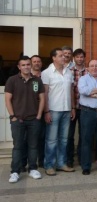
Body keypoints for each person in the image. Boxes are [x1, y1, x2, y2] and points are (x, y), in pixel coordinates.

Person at [5, 56, 45, 183]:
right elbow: (7, 99)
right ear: (19, 67)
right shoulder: (12, 80)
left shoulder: (37, 81)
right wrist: (13, 116)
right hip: (18, 120)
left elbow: (42, 99)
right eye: (23, 65)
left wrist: (39, 116)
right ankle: (15, 172)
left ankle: (33, 169)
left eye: (28, 64)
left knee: (33, 146)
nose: (26, 67)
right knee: (18, 146)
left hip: (34, 119)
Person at [41, 48, 75, 176]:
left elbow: (71, 91)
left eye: (64, 56)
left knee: (64, 139)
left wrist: (72, 108)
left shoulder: (68, 72)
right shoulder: (47, 73)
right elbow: (44, 93)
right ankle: (49, 165)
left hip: (66, 110)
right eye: (60, 55)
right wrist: (46, 111)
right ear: (53, 58)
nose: (64, 57)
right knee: (51, 140)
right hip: (53, 110)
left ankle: (61, 163)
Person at [67, 48, 86, 168]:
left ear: (84, 58)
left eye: (81, 57)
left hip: (84, 107)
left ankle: (81, 158)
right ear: (74, 58)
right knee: (69, 135)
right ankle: (69, 159)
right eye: (77, 57)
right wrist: (72, 107)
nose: (79, 59)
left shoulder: (88, 71)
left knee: (83, 135)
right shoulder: (68, 71)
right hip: (71, 108)